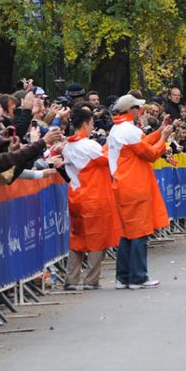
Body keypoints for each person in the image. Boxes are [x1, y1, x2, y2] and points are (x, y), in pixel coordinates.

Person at [107, 94, 171, 290]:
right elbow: (149, 154)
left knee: (127, 233)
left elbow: (141, 145)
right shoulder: (129, 130)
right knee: (139, 233)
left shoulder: (118, 128)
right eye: (138, 108)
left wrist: (159, 132)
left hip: (122, 184)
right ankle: (138, 277)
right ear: (131, 110)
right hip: (134, 185)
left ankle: (123, 277)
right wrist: (164, 139)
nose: (141, 112)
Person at [62, 108, 120, 290]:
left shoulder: (67, 146)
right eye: (92, 123)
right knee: (96, 238)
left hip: (75, 195)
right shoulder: (89, 146)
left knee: (77, 237)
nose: (93, 126)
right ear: (86, 123)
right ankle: (91, 279)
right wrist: (112, 141)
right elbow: (108, 158)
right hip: (93, 197)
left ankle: (71, 279)